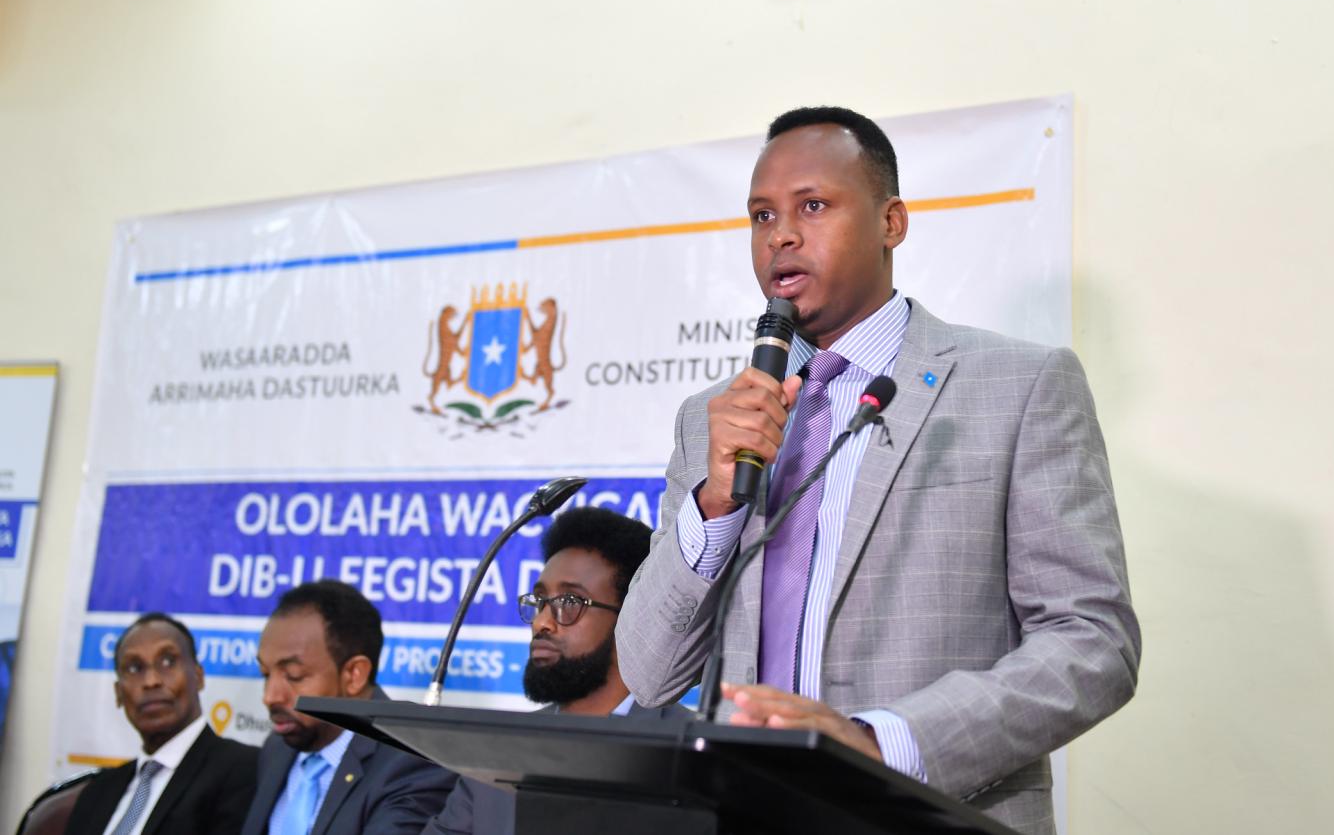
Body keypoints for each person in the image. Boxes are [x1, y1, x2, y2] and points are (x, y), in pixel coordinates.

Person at [615, 106, 1141, 835]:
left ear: (891, 222)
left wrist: (877, 743)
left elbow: (1094, 642)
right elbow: (649, 672)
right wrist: (714, 502)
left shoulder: (1018, 387)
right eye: (762, 216)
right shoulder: (713, 421)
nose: (781, 235)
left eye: (813, 206)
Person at [422, 506, 687, 835]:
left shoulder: (688, 754)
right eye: (540, 601)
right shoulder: (496, 753)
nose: (541, 622)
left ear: (631, 616)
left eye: (570, 602)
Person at [241, 581, 455, 835]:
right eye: (265, 674)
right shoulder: (277, 747)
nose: (270, 696)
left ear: (354, 674)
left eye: (294, 675)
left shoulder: (413, 761)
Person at [64, 613, 257, 835]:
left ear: (198, 676)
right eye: (135, 668)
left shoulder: (243, 769)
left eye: (167, 662)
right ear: (118, 693)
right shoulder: (97, 792)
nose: (151, 681)